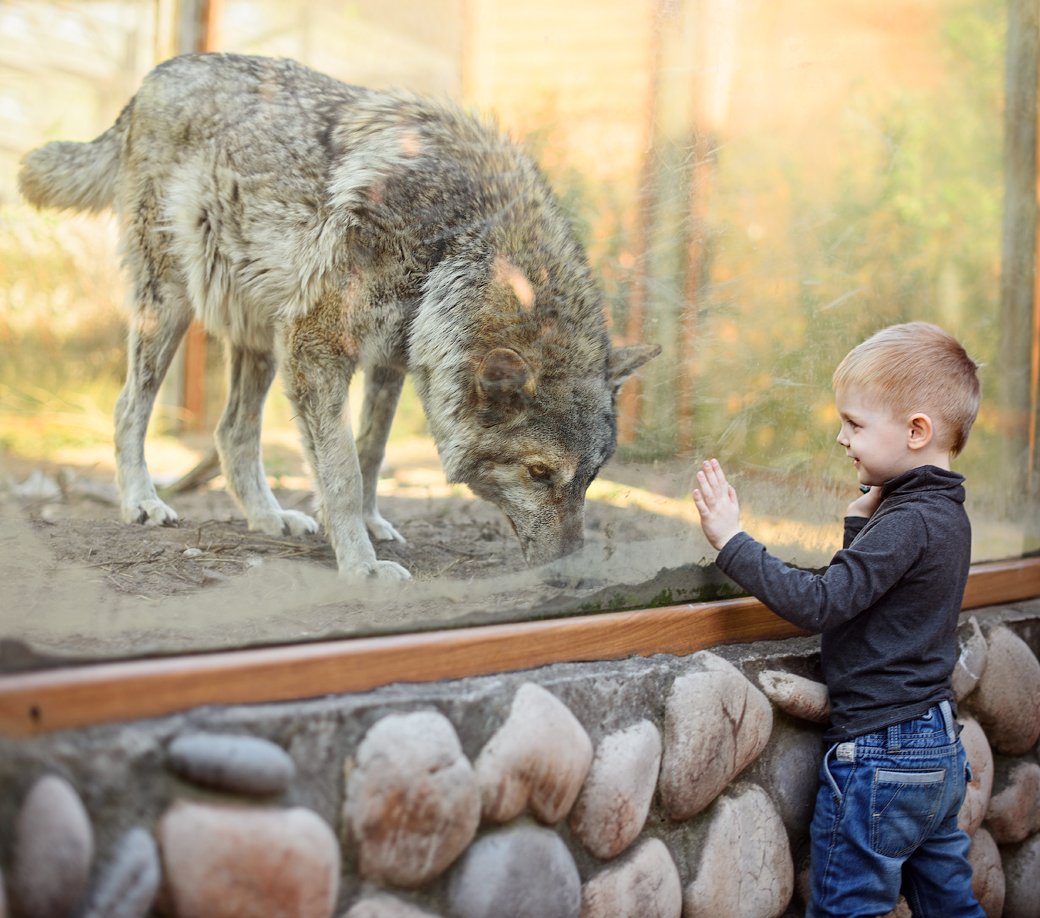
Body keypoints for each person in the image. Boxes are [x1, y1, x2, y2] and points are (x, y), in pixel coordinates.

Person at [692, 321, 985, 918]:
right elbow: (881, 596)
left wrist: (732, 541)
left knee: (847, 909)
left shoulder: (908, 521)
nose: (840, 437)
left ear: (916, 431)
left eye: (854, 423)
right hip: (935, 750)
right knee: (950, 908)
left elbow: (823, 603)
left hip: (881, 756)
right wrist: (858, 524)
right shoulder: (944, 514)